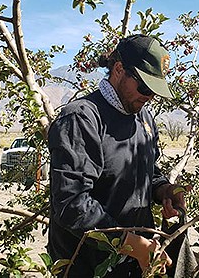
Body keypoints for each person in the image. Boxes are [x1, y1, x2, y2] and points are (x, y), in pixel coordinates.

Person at [48, 34, 185, 277]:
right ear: (119, 69)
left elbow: (148, 170)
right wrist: (135, 245)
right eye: (144, 87)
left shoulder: (144, 119)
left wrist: (164, 190)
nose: (148, 96)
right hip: (87, 266)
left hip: (133, 265)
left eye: (154, 90)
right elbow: (71, 203)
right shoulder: (82, 119)